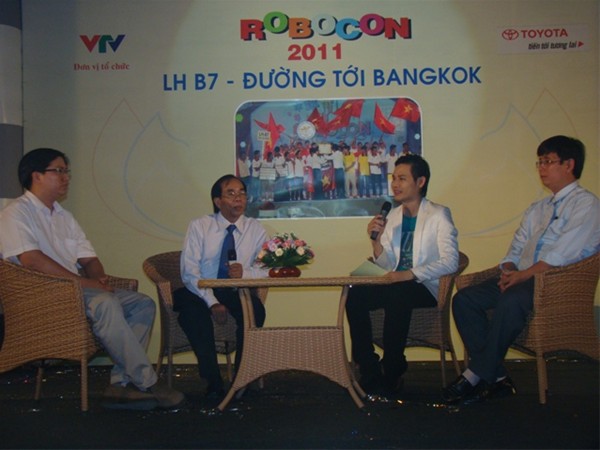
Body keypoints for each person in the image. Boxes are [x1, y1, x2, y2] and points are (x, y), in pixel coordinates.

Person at [0, 148, 184, 410]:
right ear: (36, 175)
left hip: (75, 292)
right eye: (59, 171)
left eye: (67, 172)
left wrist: (100, 281)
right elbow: (31, 260)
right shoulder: (16, 212)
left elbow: (89, 260)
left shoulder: (64, 217)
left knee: (142, 303)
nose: (66, 177)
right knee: (106, 303)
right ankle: (148, 381)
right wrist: (85, 284)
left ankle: (120, 384)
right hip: (43, 295)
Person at [443, 135, 600, 405]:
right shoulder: (538, 208)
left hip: (555, 282)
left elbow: (562, 254)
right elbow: (516, 248)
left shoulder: (586, 205)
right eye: (540, 162)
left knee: (511, 299)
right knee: (465, 299)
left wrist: (523, 276)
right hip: (522, 278)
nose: (542, 168)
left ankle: (474, 374)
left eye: (548, 161)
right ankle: (497, 377)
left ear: (569, 164)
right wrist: (509, 270)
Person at [346, 154, 459, 395]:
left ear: (420, 182)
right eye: (393, 178)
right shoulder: (393, 217)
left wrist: (409, 274)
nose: (395, 184)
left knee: (399, 293)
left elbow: (451, 261)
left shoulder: (438, 214)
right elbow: (388, 264)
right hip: (396, 282)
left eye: (402, 178)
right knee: (355, 294)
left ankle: (393, 368)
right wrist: (376, 243)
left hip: (425, 285)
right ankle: (369, 368)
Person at [174, 174, 268, 399]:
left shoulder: (256, 229)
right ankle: (213, 382)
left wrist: (245, 273)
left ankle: (242, 378)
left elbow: (267, 269)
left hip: (235, 289)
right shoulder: (200, 226)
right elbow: (189, 271)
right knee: (192, 313)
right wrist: (212, 302)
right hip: (199, 289)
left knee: (256, 310)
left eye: (242, 193)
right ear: (218, 201)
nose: (238, 198)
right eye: (231, 193)